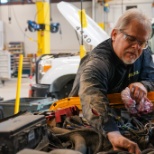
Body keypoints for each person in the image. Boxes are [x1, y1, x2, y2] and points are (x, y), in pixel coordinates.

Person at [69, 8, 154, 154]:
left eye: (142, 42)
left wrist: (143, 85)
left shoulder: (143, 51)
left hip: (124, 116)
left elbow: (151, 77)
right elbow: (92, 95)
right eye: (131, 38)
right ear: (114, 34)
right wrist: (112, 133)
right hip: (87, 117)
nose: (136, 47)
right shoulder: (99, 62)